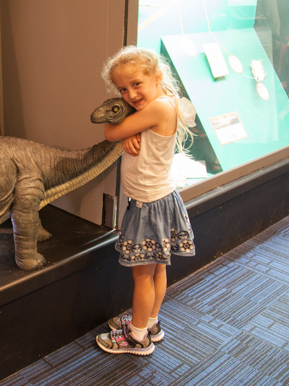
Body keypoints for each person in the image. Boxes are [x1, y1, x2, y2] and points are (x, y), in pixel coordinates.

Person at [95, 46, 196, 356]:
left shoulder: (159, 109)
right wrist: (130, 131)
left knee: (142, 275)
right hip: (160, 201)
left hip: (148, 205)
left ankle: (137, 338)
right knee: (156, 270)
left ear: (157, 77)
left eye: (136, 84)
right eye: (122, 89)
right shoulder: (160, 105)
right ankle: (149, 322)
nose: (130, 94)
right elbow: (130, 127)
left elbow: (110, 133)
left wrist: (122, 132)